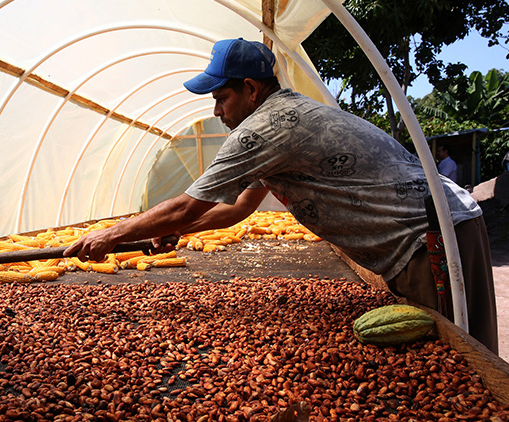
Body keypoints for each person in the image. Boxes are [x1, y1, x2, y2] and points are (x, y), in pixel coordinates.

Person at [63, 38, 497, 353]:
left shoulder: (264, 128)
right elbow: (238, 209)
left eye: (222, 98)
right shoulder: (284, 118)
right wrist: (182, 230)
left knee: (458, 356)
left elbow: (187, 204)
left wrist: (114, 234)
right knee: (440, 345)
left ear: (251, 89)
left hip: (433, 236)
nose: (216, 111)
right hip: (435, 227)